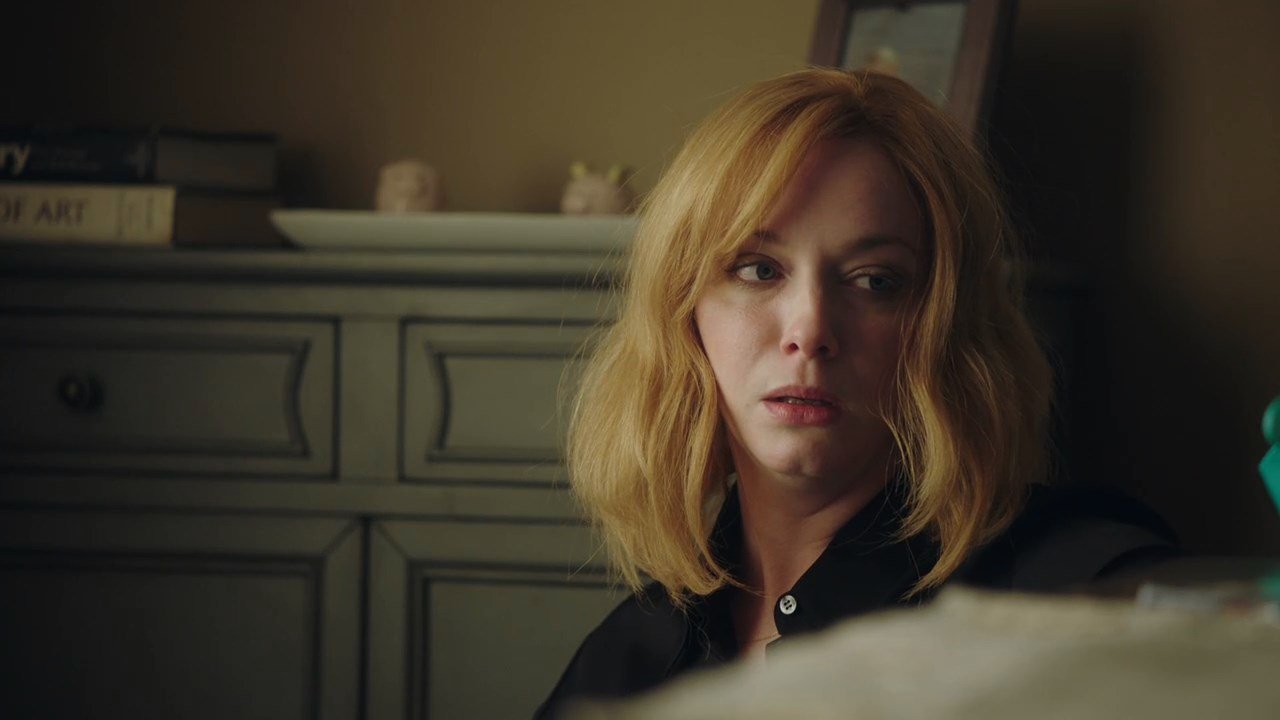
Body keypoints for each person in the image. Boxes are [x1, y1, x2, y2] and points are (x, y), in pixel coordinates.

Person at [535, 68, 1177, 718]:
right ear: (684, 311)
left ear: (944, 330)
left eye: (875, 281)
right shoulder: (621, 664)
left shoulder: (1084, 592)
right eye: (758, 269)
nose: (810, 330)